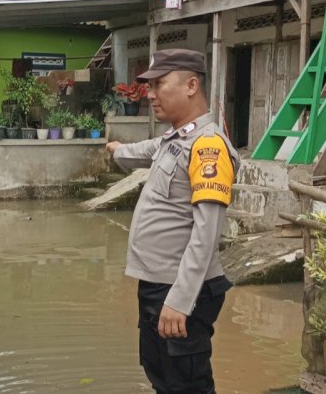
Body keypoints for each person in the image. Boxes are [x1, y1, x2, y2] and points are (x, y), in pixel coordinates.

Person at [106, 48, 240, 394]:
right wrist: (117, 150)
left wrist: (179, 302)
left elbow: (206, 233)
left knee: (186, 385)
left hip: (181, 289)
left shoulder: (208, 147)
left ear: (191, 85)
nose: (150, 95)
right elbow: (148, 150)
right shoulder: (177, 138)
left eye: (160, 84)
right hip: (157, 285)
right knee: (161, 376)